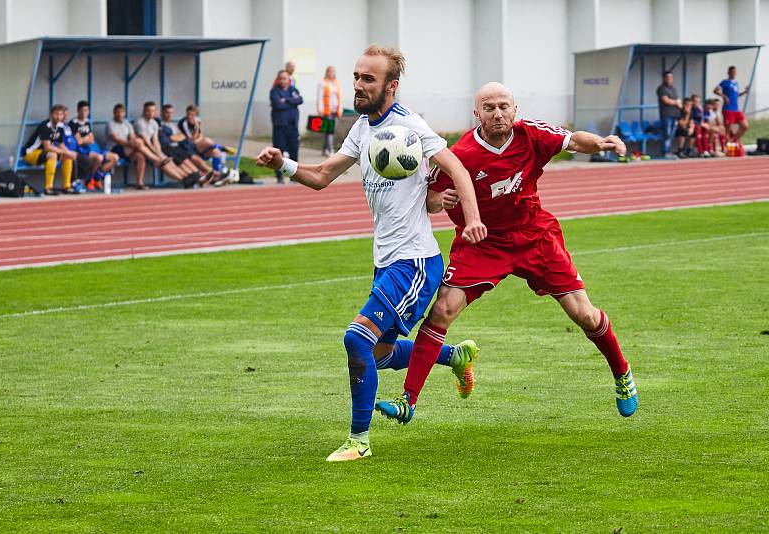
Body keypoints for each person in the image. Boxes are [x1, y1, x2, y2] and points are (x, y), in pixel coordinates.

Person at [256, 44, 487, 462]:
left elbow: (458, 169)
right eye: (357, 76)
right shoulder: (362, 127)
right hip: (386, 262)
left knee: (355, 338)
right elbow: (324, 176)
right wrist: (284, 164)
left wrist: (471, 219)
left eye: (368, 79)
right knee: (376, 354)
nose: (358, 85)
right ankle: (454, 355)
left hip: (414, 262)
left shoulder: (411, 125)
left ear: (391, 86)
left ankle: (358, 441)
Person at [375, 82, 638, 427]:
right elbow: (428, 200)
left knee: (584, 314)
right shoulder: (461, 154)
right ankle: (408, 400)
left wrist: (603, 143)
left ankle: (622, 374)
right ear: (476, 114)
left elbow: (574, 141)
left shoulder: (532, 135)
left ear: (515, 109)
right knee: (442, 310)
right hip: (483, 243)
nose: (497, 113)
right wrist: (444, 200)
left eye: (503, 106)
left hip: (535, 236)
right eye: (489, 108)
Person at [134, 101, 201, 188]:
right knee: (163, 163)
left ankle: (186, 178)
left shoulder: (154, 123)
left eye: (153, 111)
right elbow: (147, 142)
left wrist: (159, 153)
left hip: (153, 150)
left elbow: (155, 141)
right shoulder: (140, 122)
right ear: (144, 111)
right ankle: (184, 180)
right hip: (143, 150)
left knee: (168, 161)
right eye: (148, 111)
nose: (151, 113)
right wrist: (158, 155)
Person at [160, 104, 226, 185]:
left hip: (187, 147)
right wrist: (179, 137)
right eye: (167, 113)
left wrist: (190, 134)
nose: (169, 115)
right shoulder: (162, 125)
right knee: (196, 159)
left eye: (171, 113)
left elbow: (184, 136)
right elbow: (173, 138)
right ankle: (215, 175)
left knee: (215, 152)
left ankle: (216, 174)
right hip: (179, 148)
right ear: (162, 113)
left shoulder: (173, 125)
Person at [21, 104, 77, 195]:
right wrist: (65, 152)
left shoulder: (60, 127)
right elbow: (48, 147)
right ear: (51, 114)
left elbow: (61, 145)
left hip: (44, 153)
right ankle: (48, 188)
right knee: (52, 154)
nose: (58, 117)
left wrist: (69, 153)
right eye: (56, 114)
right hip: (30, 153)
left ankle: (67, 186)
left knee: (67, 156)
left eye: (61, 114)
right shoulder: (45, 126)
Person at [70, 100, 120, 191]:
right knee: (99, 158)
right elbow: (79, 142)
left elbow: (92, 139)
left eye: (86, 110)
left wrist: (85, 139)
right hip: (82, 151)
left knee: (115, 157)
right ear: (78, 110)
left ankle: (97, 176)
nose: (84, 112)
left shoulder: (87, 122)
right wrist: (86, 139)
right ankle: (89, 180)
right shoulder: (73, 123)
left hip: (93, 149)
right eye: (82, 110)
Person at [177, 105, 232, 183]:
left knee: (215, 152)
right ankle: (221, 148)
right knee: (207, 141)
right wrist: (196, 128)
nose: (190, 117)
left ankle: (217, 177)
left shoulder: (197, 120)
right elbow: (191, 139)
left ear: (195, 115)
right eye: (188, 114)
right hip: (189, 147)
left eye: (192, 115)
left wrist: (198, 136)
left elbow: (200, 136)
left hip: (198, 145)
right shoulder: (184, 123)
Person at [270, 70, 304, 184]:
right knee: (279, 152)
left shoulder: (292, 90)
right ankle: (279, 176)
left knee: (294, 150)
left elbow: (300, 100)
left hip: (292, 127)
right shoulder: (274, 91)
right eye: (281, 78)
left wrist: (287, 100)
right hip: (280, 127)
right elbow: (278, 105)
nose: (282, 80)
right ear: (278, 79)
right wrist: (291, 103)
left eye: (284, 78)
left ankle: (293, 175)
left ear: (288, 79)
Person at [57, 105, 97, 192]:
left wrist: (83, 140)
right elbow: (59, 143)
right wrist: (68, 152)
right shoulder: (58, 127)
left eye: (66, 114)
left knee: (88, 161)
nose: (65, 116)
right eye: (63, 114)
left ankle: (79, 181)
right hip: (62, 152)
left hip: (73, 151)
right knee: (73, 159)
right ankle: (71, 183)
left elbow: (84, 139)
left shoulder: (67, 126)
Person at [714, 66, 750, 144]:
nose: (733, 73)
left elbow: (736, 95)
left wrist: (745, 91)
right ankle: (727, 145)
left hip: (736, 109)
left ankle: (733, 141)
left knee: (745, 126)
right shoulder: (725, 82)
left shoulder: (736, 83)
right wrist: (724, 96)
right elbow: (715, 90)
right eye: (732, 72)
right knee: (728, 129)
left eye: (735, 72)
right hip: (728, 108)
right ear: (728, 73)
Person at [317, 66, 343, 156]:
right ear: (327, 72)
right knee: (330, 130)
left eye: (333, 71)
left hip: (335, 110)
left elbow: (339, 97)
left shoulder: (336, 83)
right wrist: (320, 110)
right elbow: (320, 97)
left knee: (329, 130)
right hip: (326, 111)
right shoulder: (322, 83)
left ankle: (325, 150)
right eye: (330, 71)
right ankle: (330, 149)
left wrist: (340, 109)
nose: (332, 73)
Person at [657, 71, 682, 159]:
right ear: (664, 78)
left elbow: (678, 99)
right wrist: (676, 102)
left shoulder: (673, 88)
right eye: (668, 77)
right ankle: (665, 152)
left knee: (671, 134)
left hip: (675, 115)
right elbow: (665, 100)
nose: (670, 79)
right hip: (666, 115)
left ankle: (669, 151)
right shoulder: (662, 88)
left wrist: (678, 103)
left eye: (671, 77)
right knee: (666, 134)